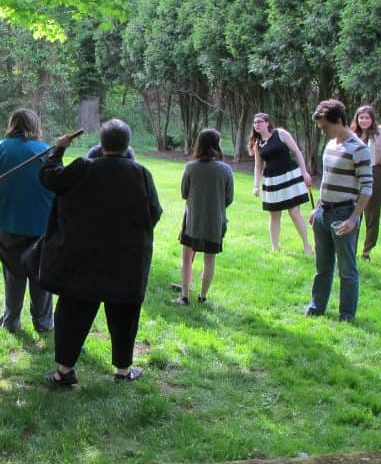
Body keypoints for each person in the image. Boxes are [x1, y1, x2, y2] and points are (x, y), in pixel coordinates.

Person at [38, 119, 162, 385]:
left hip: (81, 258)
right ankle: (123, 371)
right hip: (125, 259)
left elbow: (49, 177)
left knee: (72, 311)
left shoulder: (83, 168)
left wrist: (58, 150)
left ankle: (64, 371)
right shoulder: (141, 173)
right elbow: (154, 213)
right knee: (125, 313)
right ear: (127, 143)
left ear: (101, 143)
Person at [0, 109, 55, 333]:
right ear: (35, 125)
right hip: (41, 222)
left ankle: (11, 321)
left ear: (12, 124)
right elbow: (57, 185)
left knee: (14, 270)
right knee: (40, 272)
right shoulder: (46, 151)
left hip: (5, 220)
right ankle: (44, 322)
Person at [305, 99, 373, 322]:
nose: (323, 132)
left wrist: (354, 218)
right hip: (323, 213)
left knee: (346, 268)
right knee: (322, 266)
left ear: (340, 121)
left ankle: (346, 315)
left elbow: (367, 187)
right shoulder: (331, 145)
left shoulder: (360, 150)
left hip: (344, 214)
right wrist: (317, 209)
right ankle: (316, 307)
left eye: (326, 127)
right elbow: (325, 180)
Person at [174, 129, 234, 305]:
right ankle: (202, 296)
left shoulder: (191, 167)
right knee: (210, 259)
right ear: (217, 145)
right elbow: (229, 198)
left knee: (186, 257)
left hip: (192, 220)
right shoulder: (226, 170)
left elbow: (184, 193)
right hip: (215, 222)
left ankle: (184, 296)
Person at [250, 114, 313, 254]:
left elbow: (297, 152)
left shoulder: (281, 133)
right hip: (272, 181)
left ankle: (307, 246)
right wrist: (256, 185)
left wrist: (305, 172)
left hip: (290, 177)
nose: (257, 125)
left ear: (267, 123)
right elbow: (258, 167)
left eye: (260, 122)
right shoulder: (258, 144)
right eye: (255, 123)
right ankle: (275, 248)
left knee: (295, 213)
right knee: (274, 215)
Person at [350, 106, 381, 261]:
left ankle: (367, 251)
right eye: (361, 117)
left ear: (372, 119)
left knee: (372, 213)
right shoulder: (352, 134)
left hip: (374, 172)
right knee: (353, 211)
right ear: (357, 119)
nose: (364, 120)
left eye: (367, 117)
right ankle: (351, 248)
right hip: (355, 174)